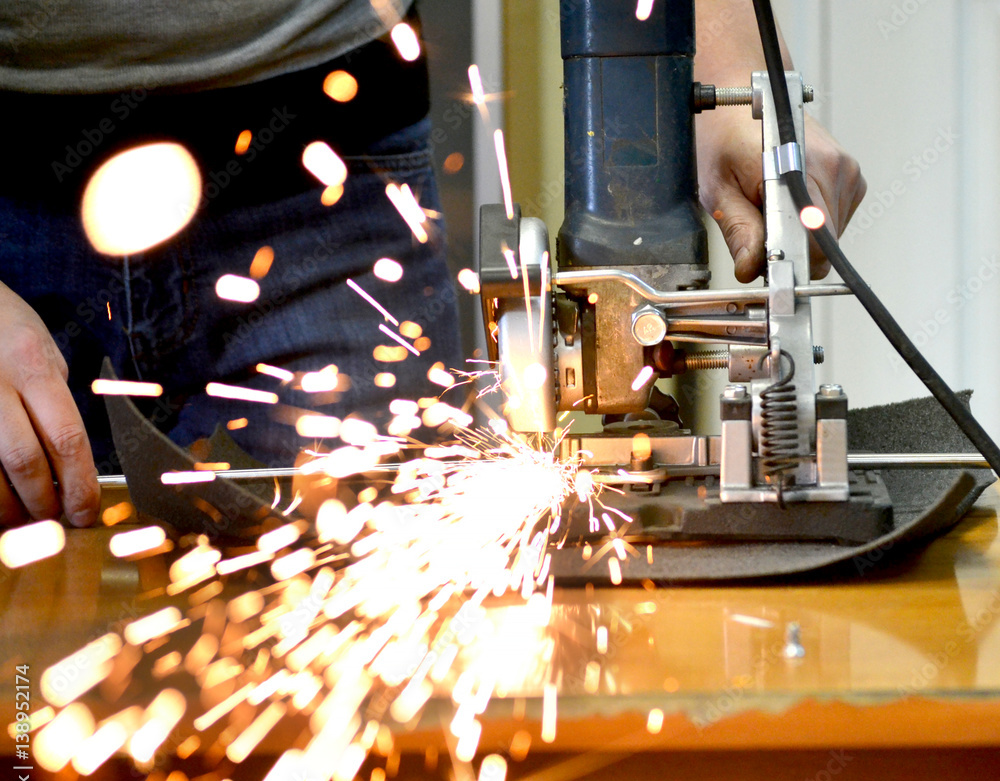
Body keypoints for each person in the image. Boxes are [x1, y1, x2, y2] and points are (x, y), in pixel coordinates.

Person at [0, 0, 865, 530]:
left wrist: (728, 66)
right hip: (17, 201)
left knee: (375, 698)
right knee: (34, 712)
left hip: (322, 159)